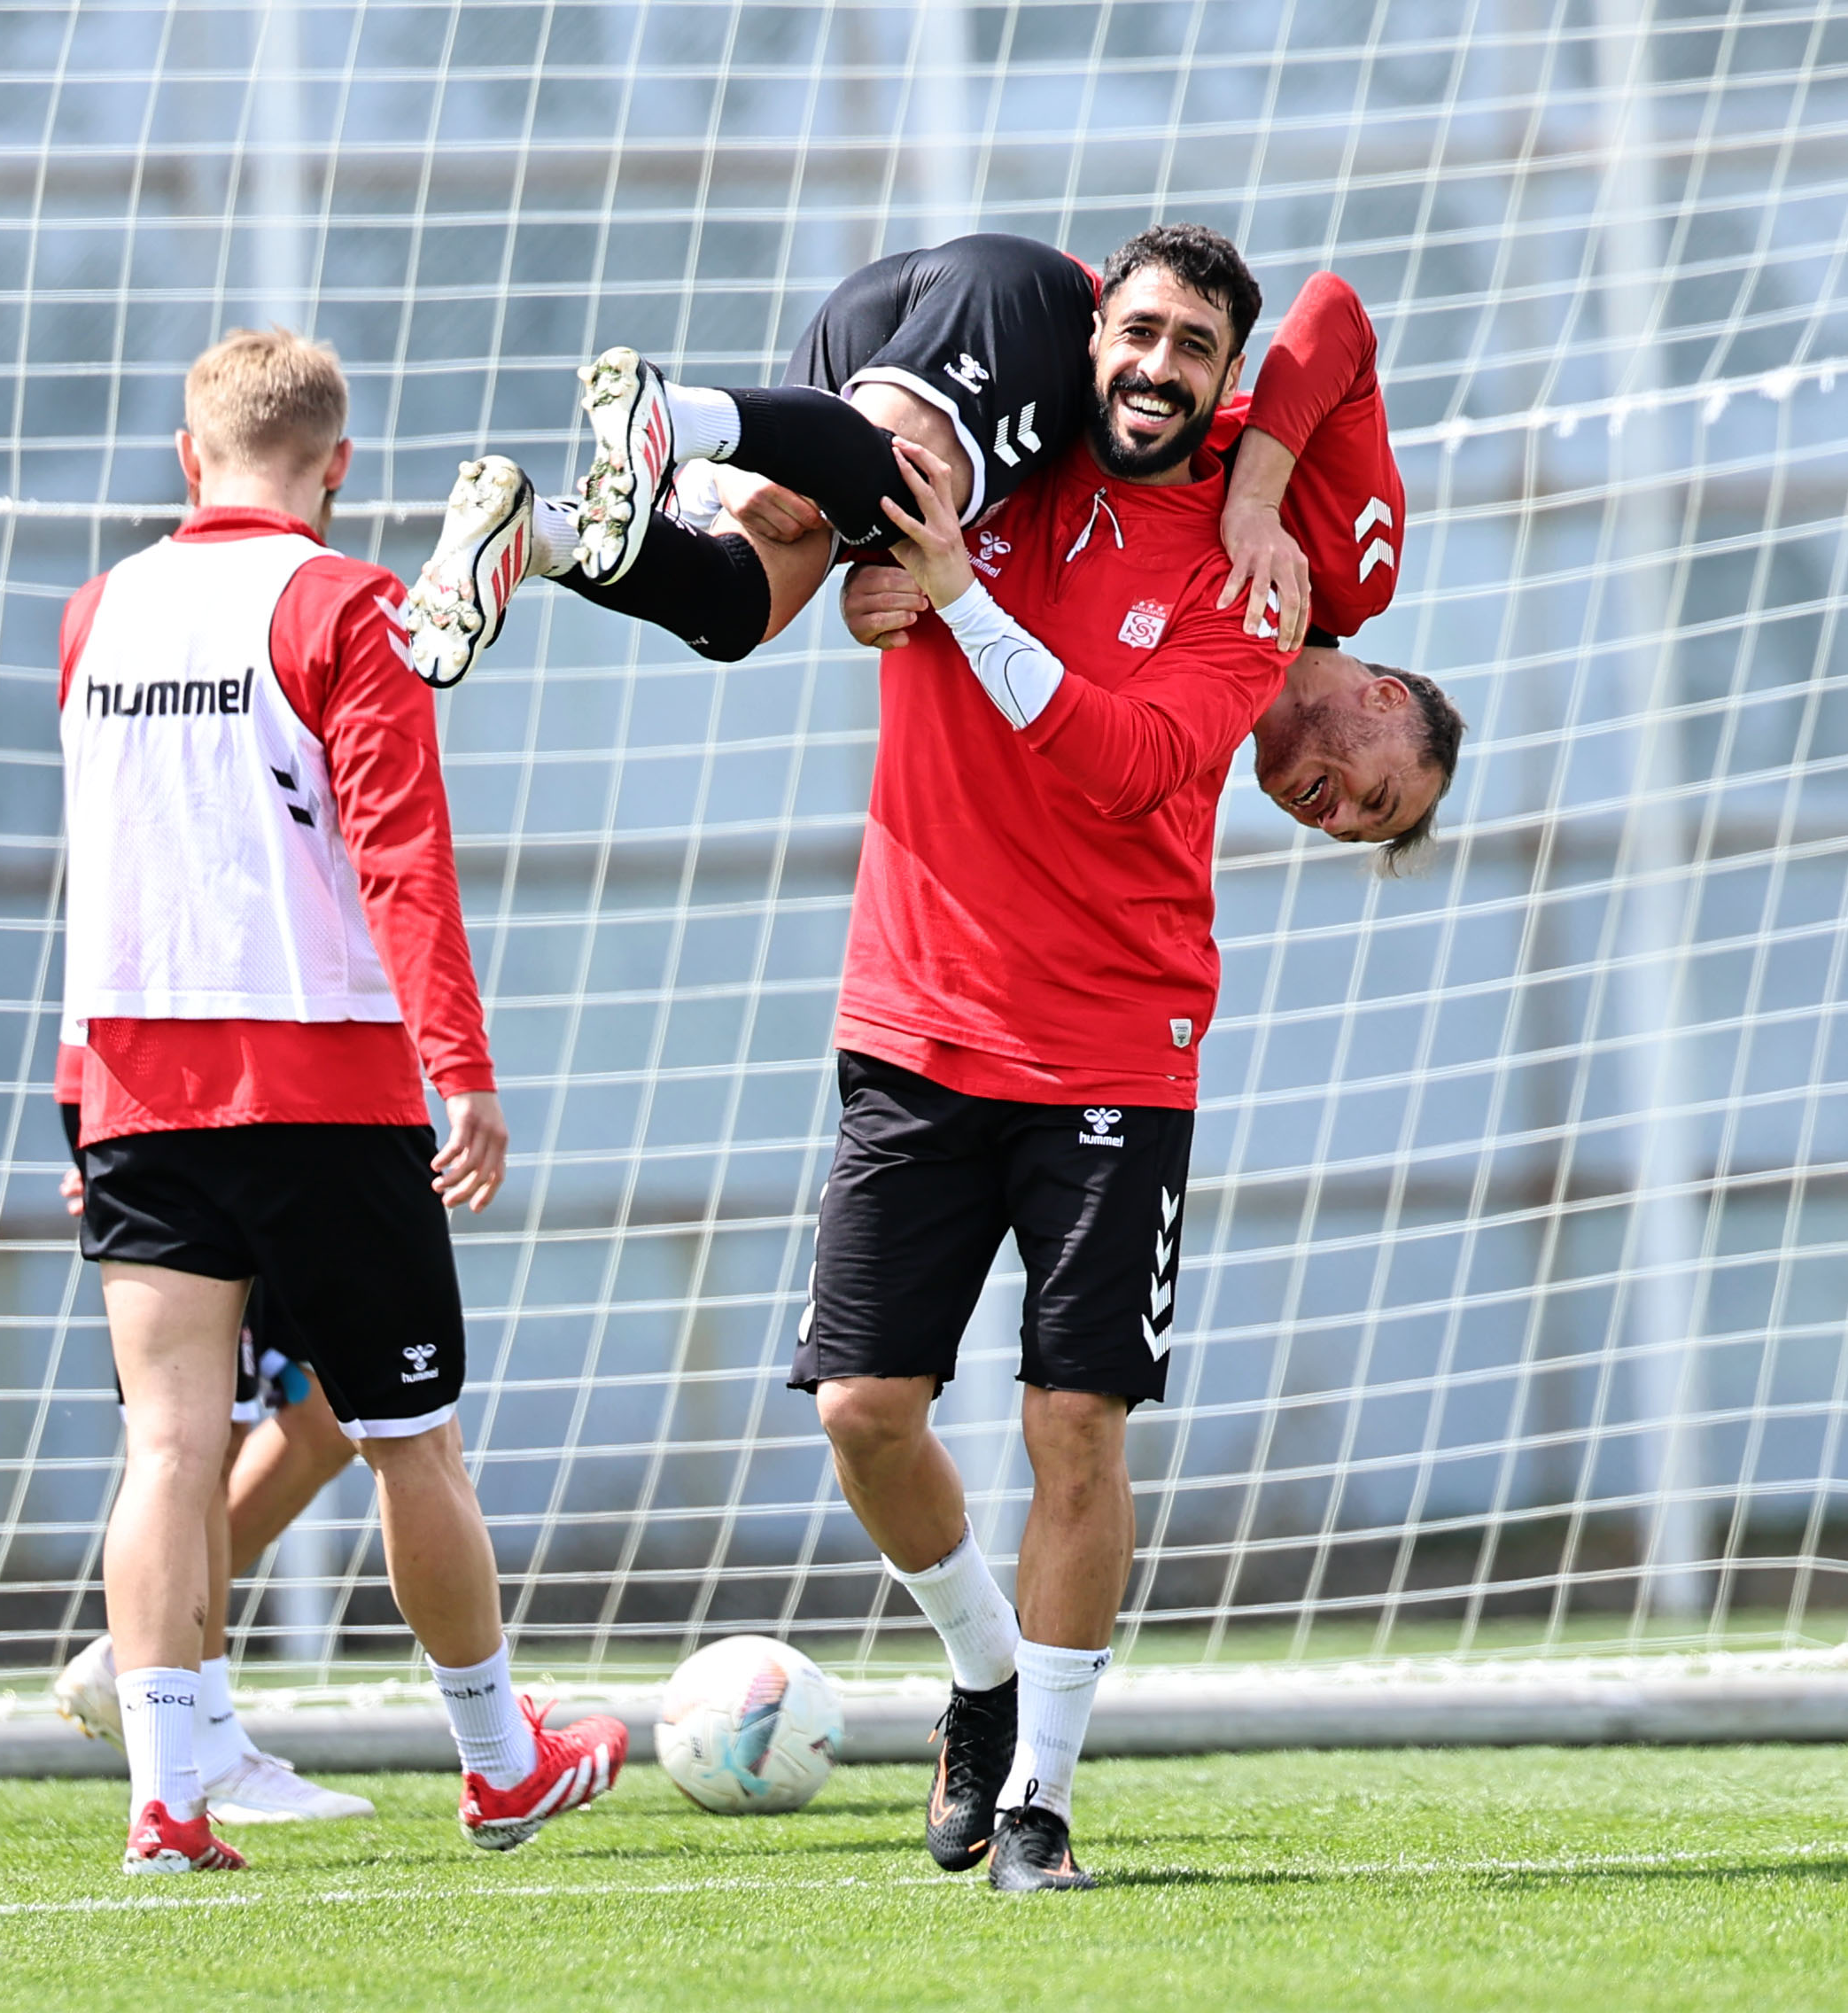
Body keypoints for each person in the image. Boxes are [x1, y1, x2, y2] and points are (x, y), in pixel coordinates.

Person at [58, 325, 625, 1875]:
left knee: (170, 1446)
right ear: (339, 465)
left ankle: (166, 1801)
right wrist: (464, 1071)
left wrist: (75, 1097)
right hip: (322, 1086)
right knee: (409, 1441)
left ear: (190, 457)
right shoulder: (346, 603)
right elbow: (400, 855)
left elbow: (99, 866)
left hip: (135, 1085)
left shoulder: (95, 614)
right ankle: (503, 1764)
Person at [788, 222, 1308, 1893]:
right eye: (1137, 331)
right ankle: (985, 1669)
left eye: (1198, 351)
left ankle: (1042, 1804)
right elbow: (913, 316)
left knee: (1072, 1427)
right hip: (917, 1013)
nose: (1157, 366)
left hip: (1113, 1044)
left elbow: (1128, 759)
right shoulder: (978, 473)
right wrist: (889, 558)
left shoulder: (1254, 564)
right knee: (867, 1411)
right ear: (1089, 339)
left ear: (1230, 385)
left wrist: (953, 599)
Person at [402, 235, 1459, 859]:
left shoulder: (1195, 679)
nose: (1341, 817)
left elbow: (984, 561)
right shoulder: (1347, 571)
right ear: (1384, 698)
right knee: (913, 481)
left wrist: (887, 583)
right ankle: (676, 419)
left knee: (738, 611)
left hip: (915, 419)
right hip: (1023, 309)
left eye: (1358, 831)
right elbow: (1334, 311)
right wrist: (1258, 501)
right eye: (1380, 793)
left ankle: (538, 537)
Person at [50, 1070, 366, 1824]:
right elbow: (89, 1013)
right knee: (198, 1437)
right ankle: (203, 1745)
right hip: (193, 1133)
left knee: (326, 1420)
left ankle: (142, 1647)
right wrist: (96, 1138)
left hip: (302, 1127)